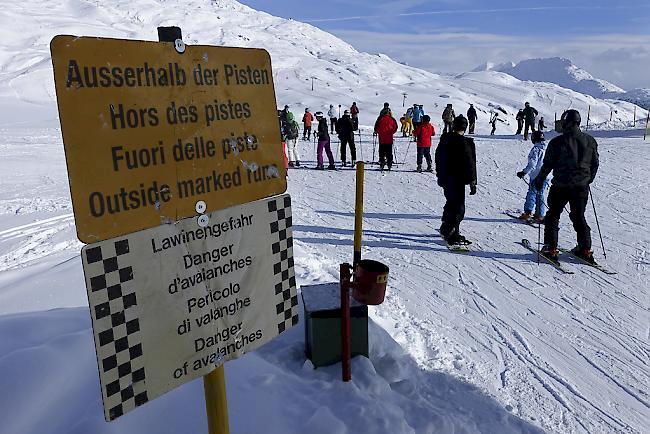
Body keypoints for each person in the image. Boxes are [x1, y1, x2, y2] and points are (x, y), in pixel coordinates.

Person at [533, 109, 599, 262]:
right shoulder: (590, 141)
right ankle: (585, 248)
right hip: (581, 186)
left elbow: (547, 164)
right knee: (578, 215)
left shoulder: (557, 142)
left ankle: (551, 247)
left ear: (567, 123)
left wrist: (539, 180)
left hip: (561, 186)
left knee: (553, 215)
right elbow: (595, 164)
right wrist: (588, 180)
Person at [435, 115, 477, 245]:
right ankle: (451, 232)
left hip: (446, 178)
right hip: (457, 179)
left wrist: (440, 175)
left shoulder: (445, 140)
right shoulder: (464, 143)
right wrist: (472, 181)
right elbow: (470, 164)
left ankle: (447, 228)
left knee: (451, 203)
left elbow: (438, 159)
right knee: (458, 207)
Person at [516, 130, 549, 222]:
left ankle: (528, 212)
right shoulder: (548, 148)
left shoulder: (536, 149)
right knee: (540, 194)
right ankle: (540, 214)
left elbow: (532, 164)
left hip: (536, 176)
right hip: (546, 176)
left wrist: (524, 172)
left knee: (532, 193)